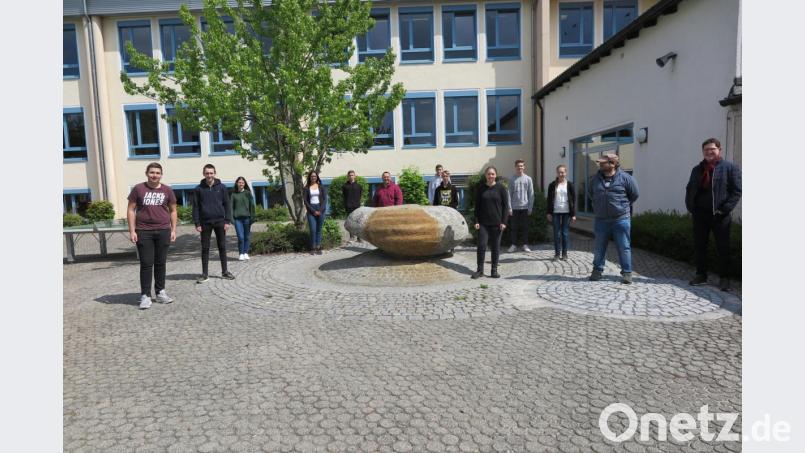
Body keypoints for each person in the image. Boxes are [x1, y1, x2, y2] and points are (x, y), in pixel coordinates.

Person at [685, 138, 742, 291]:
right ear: (703, 152)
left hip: (720, 216)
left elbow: (737, 191)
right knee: (700, 246)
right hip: (700, 215)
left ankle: (724, 278)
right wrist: (691, 206)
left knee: (723, 248)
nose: (709, 152)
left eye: (712, 149)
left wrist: (724, 209)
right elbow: (690, 188)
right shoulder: (697, 169)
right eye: (706, 150)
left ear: (719, 150)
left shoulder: (730, 168)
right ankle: (701, 275)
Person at [127, 162, 178, 309]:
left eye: (157, 172)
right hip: (144, 231)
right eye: (152, 172)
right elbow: (131, 210)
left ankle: (160, 292)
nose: (154, 175)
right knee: (146, 264)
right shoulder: (138, 189)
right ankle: (145, 295)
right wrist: (132, 230)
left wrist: (173, 229)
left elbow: (173, 210)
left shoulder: (167, 190)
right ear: (146, 173)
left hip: (163, 230)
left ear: (161, 174)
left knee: (161, 263)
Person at [587, 153, 639, 284]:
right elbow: (590, 193)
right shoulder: (594, 179)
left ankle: (627, 273)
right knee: (599, 247)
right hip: (601, 220)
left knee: (624, 246)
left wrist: (621, 206)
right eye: (600, 162)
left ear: (613, 164)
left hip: (620, 219)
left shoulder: (626, 178)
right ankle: (597, 271)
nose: (600, 164)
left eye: (603, 162)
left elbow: (634, 195)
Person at [192, 164, 235, 283]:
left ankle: (225, 271)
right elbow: (196, 207)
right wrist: (197, 223)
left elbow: (227, 205)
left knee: (222, 247)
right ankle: (205, 274)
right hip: (205, 222)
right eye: (207, 173)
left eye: (211, 173)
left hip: (220, 221)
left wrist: (227, 220)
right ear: (203, 174)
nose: (209, 175)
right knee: (205, 248)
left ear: (215, 173)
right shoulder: (198, 189)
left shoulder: (222, 187)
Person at [472, 166, 509, 279]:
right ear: (485, 175)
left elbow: (505, 207)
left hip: (497, 224)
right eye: (488, 174)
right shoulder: (481, 188)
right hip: (483, 224)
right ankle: (480, 270)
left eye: (492, 174)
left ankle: (494, 270)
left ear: (495, 175)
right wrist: (476, 221)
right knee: (481, 246)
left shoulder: (501, 188)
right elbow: (477, 206)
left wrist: (504, 222)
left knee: (495, 247)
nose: (490, 176)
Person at [546, 165, 576, 260]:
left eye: (562, 172)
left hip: (566, 212)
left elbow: (574, 200)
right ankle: (557, 254)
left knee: (565, 233)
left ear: (565, 173)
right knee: (556, 233)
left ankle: (565, 254)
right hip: (555, 211)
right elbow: (549, 199)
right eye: (559, 172)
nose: (561, 174)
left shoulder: (570, 185)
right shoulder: (552, 185)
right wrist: (548, 212)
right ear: (557, 173)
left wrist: (574, 214)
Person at [507, 159, 535, 253]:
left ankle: (525, 245)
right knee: (513, 228)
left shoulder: (528, 179)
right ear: (515, 167)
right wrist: (509, 207)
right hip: (514, 208)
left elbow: (531, 194)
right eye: (518, 166)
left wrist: (530, 207)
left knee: (525, 227)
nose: (520, 167)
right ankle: (513, 245)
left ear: (524, 167)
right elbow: (508, 194)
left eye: (522, 166)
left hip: (525, 208)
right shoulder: (511, 179)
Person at [230, 176, 256, 261]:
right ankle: (241, 253)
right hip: (237, 220)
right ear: (237, 183)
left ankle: (246, 253)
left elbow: (252, 206)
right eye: (239, 182)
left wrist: (252, 218)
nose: (241, 184)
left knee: (247, 237)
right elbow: (231, 208)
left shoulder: (248, 193)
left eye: (242, 182)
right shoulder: (233, 195)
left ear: (244, 184)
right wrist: (232, 219)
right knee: (240, 237)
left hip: (247, 219)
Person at [303, 170, 328, 254]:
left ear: (317, 177)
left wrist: (320, 210)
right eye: (312, 176)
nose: (313, 177)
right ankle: (313, 247)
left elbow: (325, 199)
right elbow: (305, 201)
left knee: (319, 229)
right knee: (313, 229)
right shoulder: (306, 188)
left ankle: (318, 247)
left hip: (321, 209)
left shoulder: (321, 187)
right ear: (309, 177)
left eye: (315, 176)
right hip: (311, 210)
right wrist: (313, 211)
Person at [342, 170, 363, 242]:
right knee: (350, 222)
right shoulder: (345, 186)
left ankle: (359, 237)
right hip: (348, 206)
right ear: (348, 176)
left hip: (357, 206)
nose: (351, 176)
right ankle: (351, 237)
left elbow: (360, 195)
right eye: (350, 175)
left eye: (352, 175)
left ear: (355, 176)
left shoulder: (359, 186)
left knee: (358, 222)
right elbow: (344, 196)